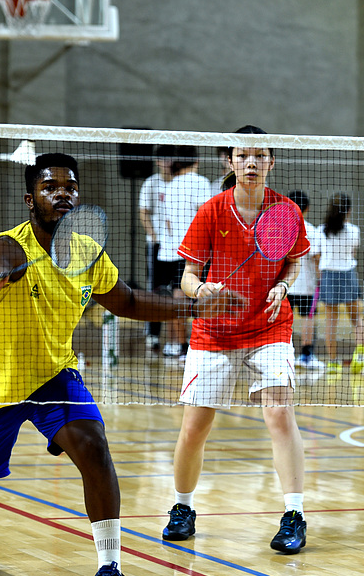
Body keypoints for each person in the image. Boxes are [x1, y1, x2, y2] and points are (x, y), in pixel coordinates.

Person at [0, 153, 240, 576]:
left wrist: (193, 310)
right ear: (31, 200)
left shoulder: (86, 252)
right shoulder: (6, 246)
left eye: (70, 187)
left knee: (93, 446)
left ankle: (110, 565)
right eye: (50, 188)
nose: (62, 194)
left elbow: (128, 301)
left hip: (54, 377)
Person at [164, 125, 312, 554]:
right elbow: (189, 277)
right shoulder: (211, 211)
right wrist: (203, 291)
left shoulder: (286, 212)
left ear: (270, 162)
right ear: (228, 162)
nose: (251, 162)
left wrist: (283, 287)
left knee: (279, 414)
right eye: (242, 155)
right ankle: (182, 508)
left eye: (259, 155)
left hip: (269, 327)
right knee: (194, 427)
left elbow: (293, 265)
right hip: (215, 331)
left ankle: (294, 514)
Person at [159, 145, 213, 360]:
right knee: (203, 296)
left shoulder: (169, 185)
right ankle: (201, 344)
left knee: (176, 298)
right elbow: (206, 217)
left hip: (172, 251)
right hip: (195, 252)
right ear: (196, 161)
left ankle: (180, 345)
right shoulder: (200, 182)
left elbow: (169, 222)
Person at [317, 192, 364, 374]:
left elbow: (317, 256)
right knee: (356, 318)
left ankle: (332, 362)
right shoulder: (354, 230)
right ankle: (360, 354)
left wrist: (319, 276)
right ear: (349, 211)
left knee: (331, 321)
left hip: (328, 276)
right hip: (347, 274)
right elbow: (353, 252)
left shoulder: (321, 230)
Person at [138, 145, 176, 353]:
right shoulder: (151, 183)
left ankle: (178, 340)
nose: (166, 162)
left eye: (170, 158)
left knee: (178, 291)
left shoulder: (181, 182)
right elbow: (143, 212)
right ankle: (153, 335)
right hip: (157, 246)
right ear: (157, 161)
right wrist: (155, 237)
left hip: (178, 247)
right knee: (156, 290)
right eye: (162, 158)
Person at [287, 190, 326, 370]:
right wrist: (320, 278)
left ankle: (282, 355)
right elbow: (316, 257)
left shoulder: (279, 228)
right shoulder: (311, 230)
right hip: (307, 286)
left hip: (285, 285)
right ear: (307, 208)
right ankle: (306, 355)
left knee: (282, 320)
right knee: (308, 319)